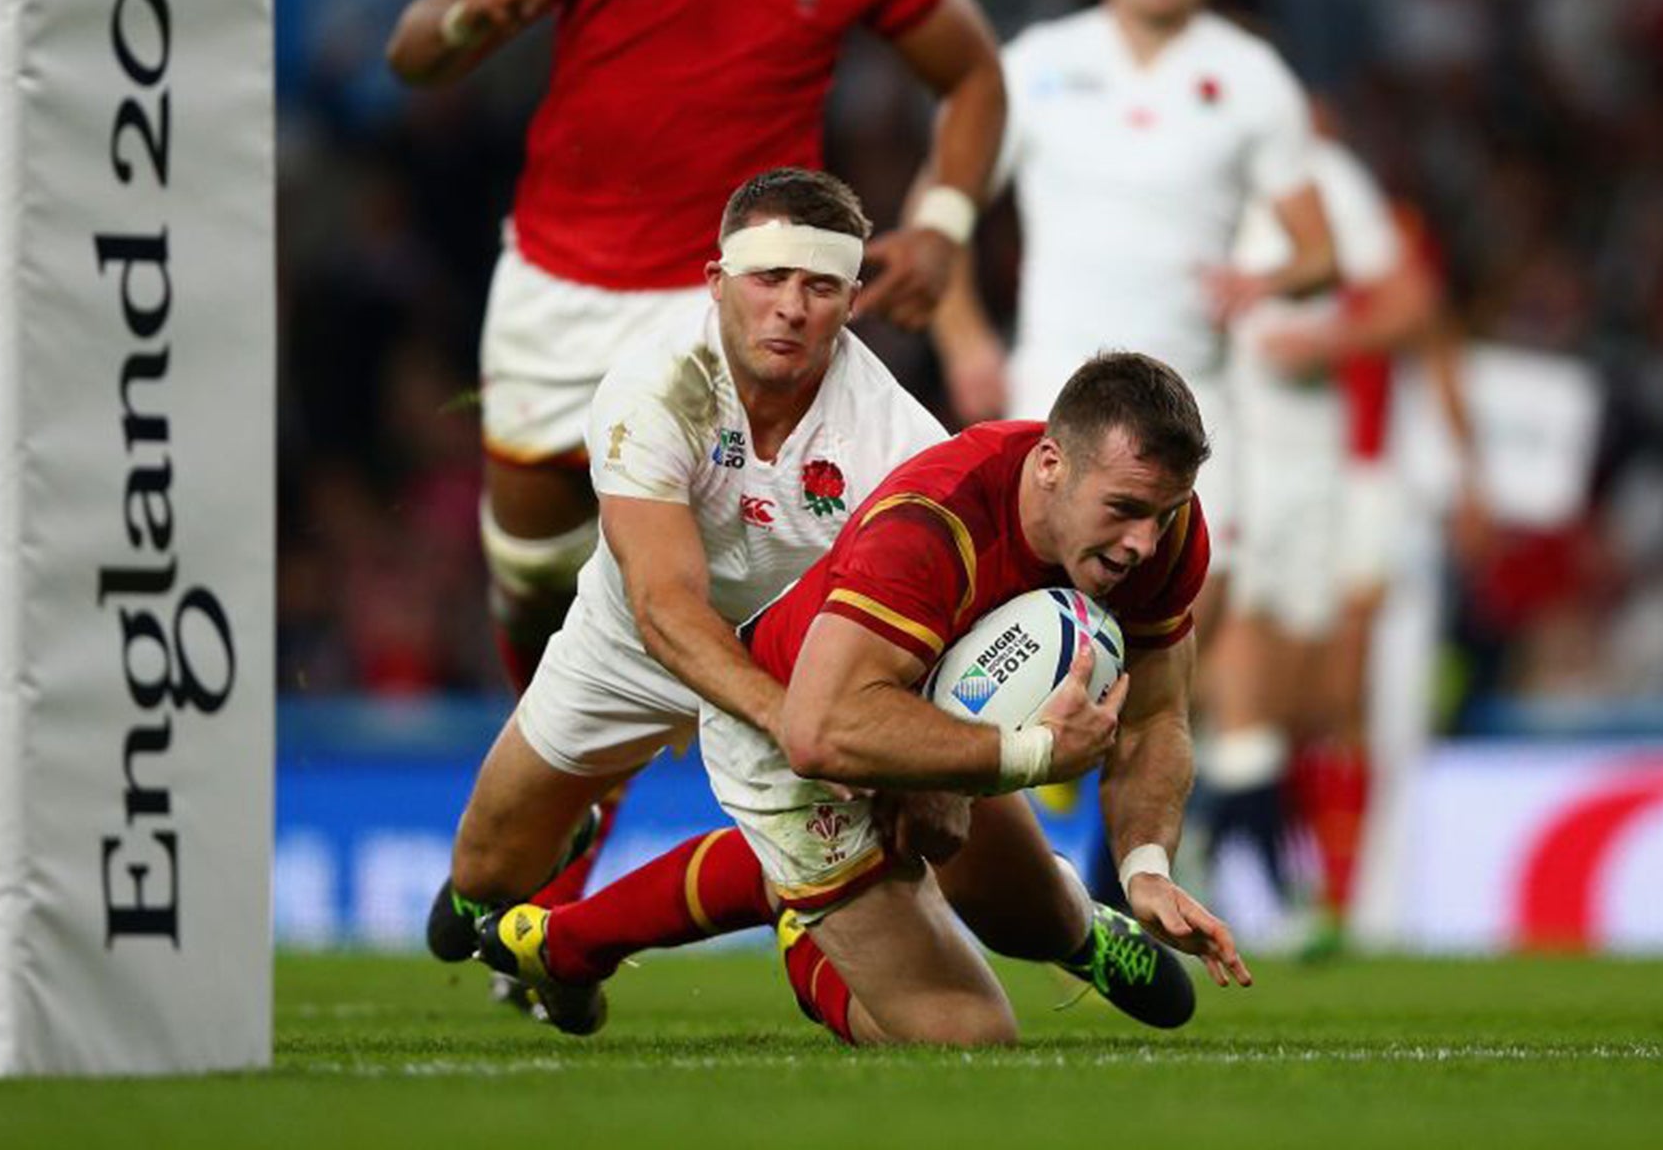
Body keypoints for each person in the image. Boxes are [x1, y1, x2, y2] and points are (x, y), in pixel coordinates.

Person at [385, 0, 1005, 766]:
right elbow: (415, 52)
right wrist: (460, 22)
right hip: (557, 286)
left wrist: (943, 223)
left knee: (746, 566)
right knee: (530, 574)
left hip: (737, 291)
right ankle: (567, 755)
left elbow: (972, 76)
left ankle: (830, 778)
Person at [480, 353, 1252, 1046]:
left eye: (1163, 512)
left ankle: (1081, 924)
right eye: (1123, 510)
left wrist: (1145, 867)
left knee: (1024, 918)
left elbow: (1154, 717)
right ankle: (766, 916)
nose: (1142, 544)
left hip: (934, 706)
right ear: (1051, 465)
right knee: (968, 1038)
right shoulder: (929, 525)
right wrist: (1029, 756)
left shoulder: (1164, 531)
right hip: (799, 732)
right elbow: (819, 732)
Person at [426, 168, 949, 1022]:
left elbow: (930, 618)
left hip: (804, 660)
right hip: (633, 643)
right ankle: (573, 836)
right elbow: (665, 609)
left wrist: (908, 755)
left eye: (819, 286)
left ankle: (588, 943)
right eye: (768, 278)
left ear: (852, 302)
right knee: (483, 876)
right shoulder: (650, 386)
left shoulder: (903, 443)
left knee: (874, 861)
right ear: (717, 284)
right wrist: (793, 723)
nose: (791, 307)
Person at [930, 0, 1335, 903]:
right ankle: (1011, 847)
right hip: (1051, 408)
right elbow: (945, 203)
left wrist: (1266, 278)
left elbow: (1317, 248)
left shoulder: (1247, 76)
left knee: (1176, 632)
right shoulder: (1035, 64)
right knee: (1017, 626)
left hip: (1193, 418)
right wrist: (965, 334)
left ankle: (1115, 879)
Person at [1216, 132, 1488, 948]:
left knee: (1342, 698)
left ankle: (1332, 889)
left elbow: (1428, 328)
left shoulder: (1378, 229)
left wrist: (1467, 469)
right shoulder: (1224, 218)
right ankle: (1267, 856)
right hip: (1272, 472)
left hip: (1367, 477)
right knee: (1278, 685)